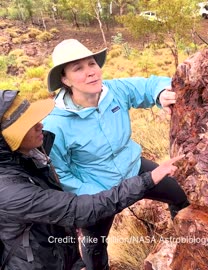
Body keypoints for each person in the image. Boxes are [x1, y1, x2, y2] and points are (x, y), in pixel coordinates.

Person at [42, 39, 189, 270]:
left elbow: (147, 86)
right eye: (78, 68)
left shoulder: (114, 91)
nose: (90, 72)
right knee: (95, 245)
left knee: (181, 196)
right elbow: (59, 173)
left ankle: (188, 246)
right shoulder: (54, 124)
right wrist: (96, 197)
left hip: (134, 169)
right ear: (64, 79)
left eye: (92, 64)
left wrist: (160, 93)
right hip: (99, 190)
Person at [0, 90, 183, 270]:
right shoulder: (10, 190)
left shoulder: (31, 155)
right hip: (36, 263)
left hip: (55, 255)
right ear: (9, 139)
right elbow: (77, 209)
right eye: (29, 125)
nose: (40, 124)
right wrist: (148, 180)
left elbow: (52, 221)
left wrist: (75, 263)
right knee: (94, 242)